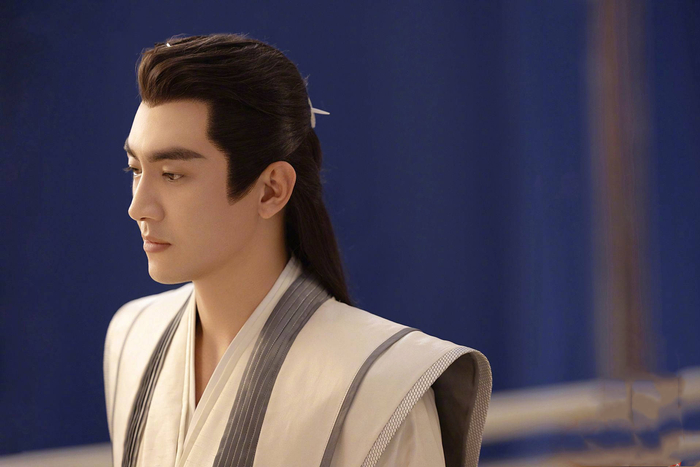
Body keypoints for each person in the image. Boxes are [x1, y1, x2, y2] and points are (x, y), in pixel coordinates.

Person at [103, 33, 491, 467]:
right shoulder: (132, 337)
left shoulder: (383, 386)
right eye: (135, 169)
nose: (138, 207)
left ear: (271, 189)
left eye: (172, 174)